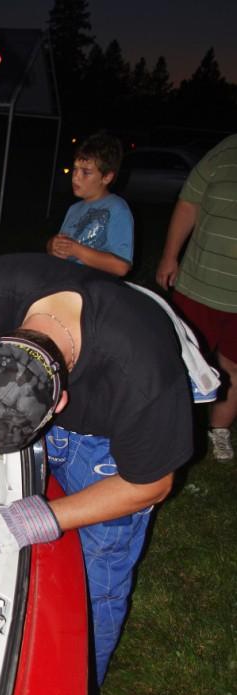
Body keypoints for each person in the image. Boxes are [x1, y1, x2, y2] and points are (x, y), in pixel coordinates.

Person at [0, 253, 194, 685]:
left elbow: (152, 484)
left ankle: (76, 686)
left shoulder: (142, 376)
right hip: (65, 397)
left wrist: (43, 517)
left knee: (99, 571)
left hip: (108, 446)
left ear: (60, 405)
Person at [156, 134, 237, 462]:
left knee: (233, 366)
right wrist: (169, 255)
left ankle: (219, 432)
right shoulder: (226, 150)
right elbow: (189, 201)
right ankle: (170, 432)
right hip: (198, 283)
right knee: (182, 360)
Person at [47, 133, 134, 277]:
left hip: (96, 290)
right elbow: (62, 248)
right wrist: (52, 246)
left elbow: (121, 266)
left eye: (86, 172)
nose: (76, 177)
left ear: (107, 177)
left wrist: (76, 250)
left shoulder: (117, 208)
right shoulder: (74, 209)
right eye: (75, 169)